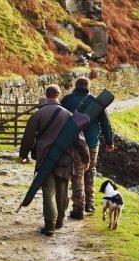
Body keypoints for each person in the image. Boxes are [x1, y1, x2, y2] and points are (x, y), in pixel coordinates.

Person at [19, 84, 89, 236]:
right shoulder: (69, 115)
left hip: (44, 159)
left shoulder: (38, 114)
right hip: (64, 159)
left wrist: (23, 155)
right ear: (59, 95)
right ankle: (60, 222)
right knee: (62, 192)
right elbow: (80, 140)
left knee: (48, 193)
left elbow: (28, 137)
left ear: (46, 95)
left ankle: (49, 226)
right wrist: (86, 158)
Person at [61, 77, 114, 219]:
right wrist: (109, 142)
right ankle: (89, 204)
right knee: (90, 171)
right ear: (88, 87)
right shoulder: (96, 102)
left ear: (75, 86)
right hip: (92, 143)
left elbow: (60, 120)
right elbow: (106, 124)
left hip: (74, 142)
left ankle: (78, 207)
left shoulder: (66, 100)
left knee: (77, 173)